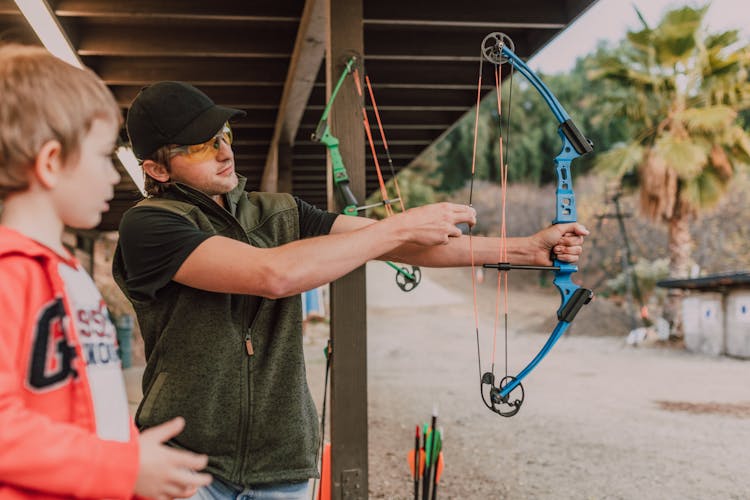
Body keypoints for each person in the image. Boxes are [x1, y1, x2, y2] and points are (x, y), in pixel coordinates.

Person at [112, 81, 588, 499]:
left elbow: (408, 247)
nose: (224, 151)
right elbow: (271, 275)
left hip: (282, 463)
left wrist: (528, 249)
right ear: (157, 170)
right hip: (183, 466)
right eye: (200, 147)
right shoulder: (150, 224)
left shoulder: (277, 211)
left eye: (224, 136)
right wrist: (395, 228)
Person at [0, 45, 212, 499]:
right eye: (102, 157)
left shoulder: (69, 274)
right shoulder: (8, 276)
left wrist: (131, 458)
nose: (114, 177)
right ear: (51, 161)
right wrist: (119, 465)